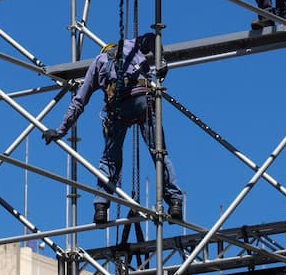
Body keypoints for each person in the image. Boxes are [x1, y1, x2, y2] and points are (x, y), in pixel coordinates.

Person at [43, 32, 184, 224]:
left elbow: (79, 101)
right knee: (158, 152)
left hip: (118, 107)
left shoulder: (98, 62)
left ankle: (101, 206)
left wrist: (60, 130)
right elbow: (151, 38)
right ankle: (174, 201)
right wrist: (161, 60)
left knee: (110, 159)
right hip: (141, 98)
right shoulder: (131, 45)